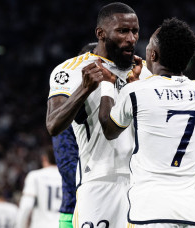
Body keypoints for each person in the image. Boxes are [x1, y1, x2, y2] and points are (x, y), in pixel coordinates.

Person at [98, 18, 195, 227]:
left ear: (153, 55)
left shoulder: (136, 92)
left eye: (148, 44)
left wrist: (107, 84)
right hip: (192, 212)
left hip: (152, 210)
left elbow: (109, 129)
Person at [45, 2, 152, 228]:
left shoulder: (144, 73)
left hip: (141, 187)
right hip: (98, 184)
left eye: (134, 31)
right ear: (101, 34)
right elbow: (53, 125)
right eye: (123, 31)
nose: (131, 39)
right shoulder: (70, 70)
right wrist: (84, 89)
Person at [51, 42, 97, 228]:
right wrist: (97, 192)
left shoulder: (112, 106)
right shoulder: (69, 112)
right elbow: (67, 164)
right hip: (75, 210)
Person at [15, 149, 62, 228]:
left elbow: (26, 206)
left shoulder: (35, 176)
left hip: (40, 225)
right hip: (62, 225)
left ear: (44, 158)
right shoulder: (68, 177)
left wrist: (20, 226)